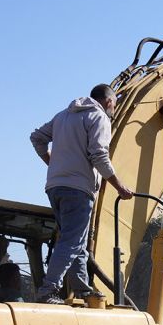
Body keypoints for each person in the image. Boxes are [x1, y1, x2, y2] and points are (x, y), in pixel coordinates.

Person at [30, 84, 133, 304]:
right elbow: (98, 155)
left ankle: (82, 290)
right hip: (78, 189)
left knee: (77, 241)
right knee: (72, 241)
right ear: (108, 102)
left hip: (55, 186)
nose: (113, 110)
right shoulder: (99, 117)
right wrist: (119, 186)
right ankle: (48, 290)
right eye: (114, 105)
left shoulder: (63, 116)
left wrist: (52, 163)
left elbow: (36, 138)